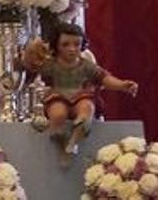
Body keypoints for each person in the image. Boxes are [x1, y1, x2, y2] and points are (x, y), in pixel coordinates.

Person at [21, 22, 138, 159]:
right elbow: (31, 67)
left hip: (81, 95)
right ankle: (59, 137)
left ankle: (74, 140)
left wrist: (122, 85)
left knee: (86, 108)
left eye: (76, 44)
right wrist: (31, 52)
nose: (72, 49)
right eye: (66, 45)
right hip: (58, 95)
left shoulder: (86, 66)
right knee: (58, 113)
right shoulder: (51, 65)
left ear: (82, 45)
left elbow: (104, 78)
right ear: (56, 46)